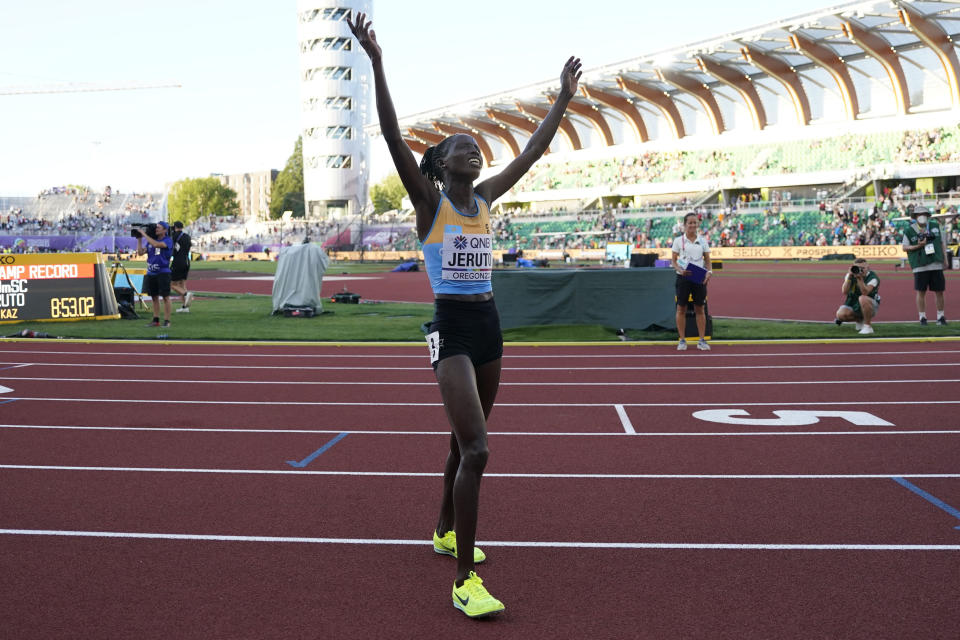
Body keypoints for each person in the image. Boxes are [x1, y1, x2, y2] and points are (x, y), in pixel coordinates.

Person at [348, 12, 580, 619]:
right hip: (449, 329)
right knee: (477, 450)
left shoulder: (486, 197)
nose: (473, 148)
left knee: (461, 441)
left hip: (490, 326)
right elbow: (396, 137)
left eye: (476, 146)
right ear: (443, 164)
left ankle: (444, 530)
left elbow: (531, 151)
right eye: (461, 146)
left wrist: (561, 98)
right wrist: (376, 64)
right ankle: (462, 581)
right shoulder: (431, 204)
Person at [671, 212, 713, 351]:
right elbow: (673, 260)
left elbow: (707, 259)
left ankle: (702, 340)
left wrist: (709, 272)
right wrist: (680, 270)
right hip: (683, 277)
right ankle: (682, 340)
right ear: (684, 225)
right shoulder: (678, 241)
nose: (693, 225)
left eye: (695, 222)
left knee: (700, 308)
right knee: (681, 308)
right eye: (690, 223)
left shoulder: (702, 240)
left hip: (698, 278)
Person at [902, 206, 948, 325]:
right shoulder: (909, 230)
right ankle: (922, 317)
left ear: (928, 215)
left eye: (924, 214)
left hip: (936, 263)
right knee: (921, 292)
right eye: (919, 214)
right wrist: (918, 246)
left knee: (939, 291)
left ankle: (941, 316)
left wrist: (945, 259)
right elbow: (904, 247)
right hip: (919, 264)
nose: (921, 216)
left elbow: (942, 243)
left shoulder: (935, 226)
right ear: (915, 217)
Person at [135, 221, 173, 327]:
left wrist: (144, 234)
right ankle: (156, 320)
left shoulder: (168, 240)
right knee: (154, 297)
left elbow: (156, 245)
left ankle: (167, 321)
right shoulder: (151, 241)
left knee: (165, 297)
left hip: (163, 272)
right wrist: (139, 240)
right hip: (151, 272)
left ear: (165, 230)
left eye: (159, 228)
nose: (156, 229)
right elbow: (141, 253)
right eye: (156, 228)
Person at [835, 257, 880, 334]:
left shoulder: (873, 278)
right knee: (840, 315)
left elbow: (865, 293)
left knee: (863, 298)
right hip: (854, 303)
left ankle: (868, 327)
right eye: (858, 268)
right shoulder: (851, 275)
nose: (860, 270)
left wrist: (860, 279)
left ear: (868, 267)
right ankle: (860, 320)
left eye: (863, 268)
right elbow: (845, 291)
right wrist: (849, 277)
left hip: (870, 303)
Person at [170, 221, 194, 313]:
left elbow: (172, 249)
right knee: (182, 285)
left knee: (172, 284)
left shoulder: (174, 236)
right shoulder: (187, 236)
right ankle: (185, 307)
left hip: (177, 262)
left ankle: (186, 294)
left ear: (175, 227)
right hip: (186, 261)